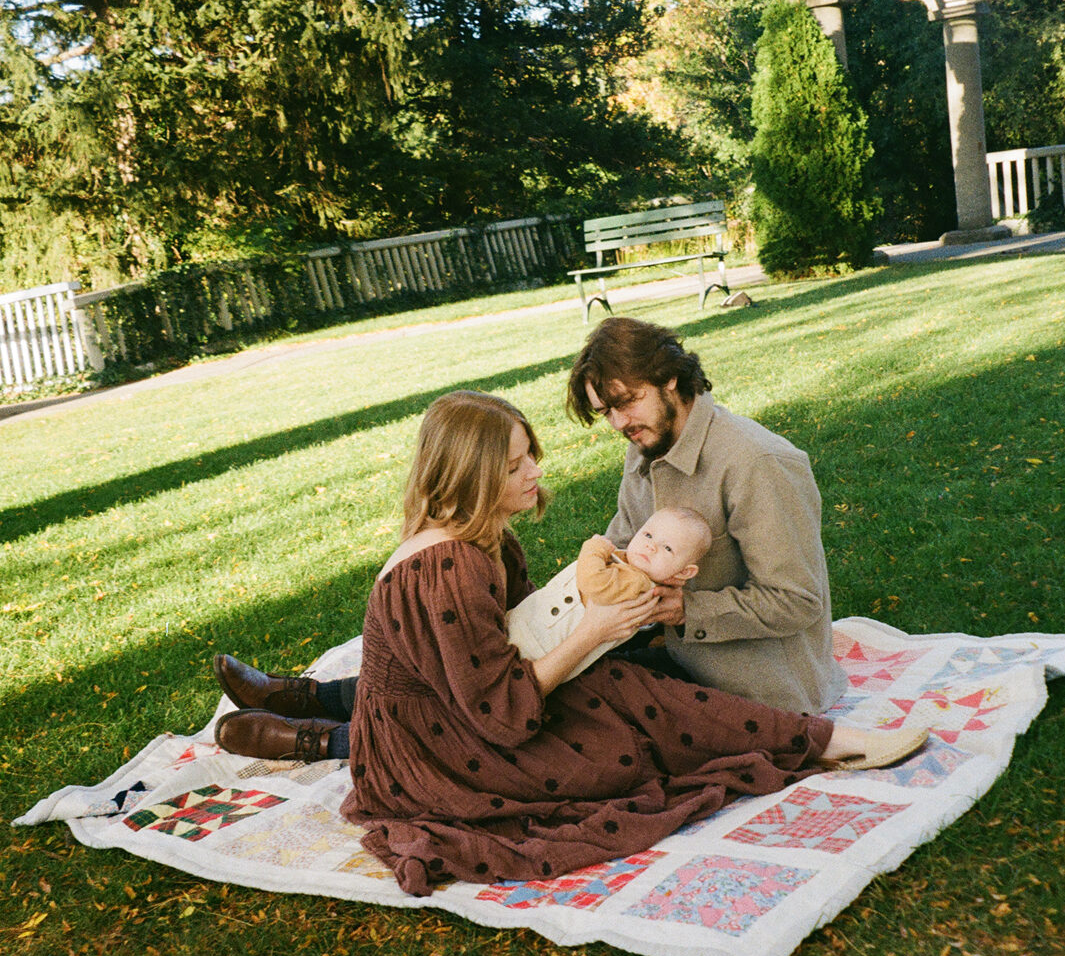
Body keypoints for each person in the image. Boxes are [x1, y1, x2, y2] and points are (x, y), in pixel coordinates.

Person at [214, 390, 925, 897]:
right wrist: (592, 631)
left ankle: (815, 738)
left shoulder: (482, 537)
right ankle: (817, 739)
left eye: (532, 456)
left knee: (626, 685)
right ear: (471, 473)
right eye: (517, 464)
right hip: (431, 750)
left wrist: (606, 623)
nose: (535, 473)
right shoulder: (448, 566)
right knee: (619, 740)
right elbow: (498, 716)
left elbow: (510, 646)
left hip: (436, 714)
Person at [566, 317, 847, 716]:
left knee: (589, 720)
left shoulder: (756, 461)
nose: (618, 423)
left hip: (759, 684)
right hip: (681, 661)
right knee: (563, 700)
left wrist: (685, 610)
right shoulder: (645, 444)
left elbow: (797, 600)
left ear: (670, 379)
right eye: (606, 411)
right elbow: (623, 546)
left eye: (627, 401)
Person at [506, 505, 712, 683]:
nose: (651, 546)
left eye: (667, 548)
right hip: (529, 631)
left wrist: (593, 548)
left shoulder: (639, 584)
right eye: (648, 535)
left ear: (685, 572)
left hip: (534, 647)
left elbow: (595, 583)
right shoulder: (631, 569)